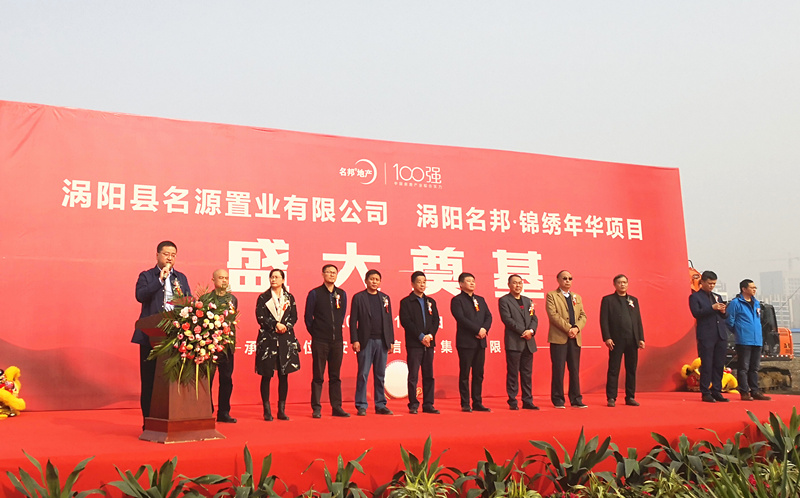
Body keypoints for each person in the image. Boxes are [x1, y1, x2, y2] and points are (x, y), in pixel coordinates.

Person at [133, 241, 191, 424]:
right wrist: (160, 280)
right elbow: (140, 296)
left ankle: (172, 419)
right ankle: (148, 421)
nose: (170, 258)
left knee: (173, 381)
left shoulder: (181, 278)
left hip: (176, 336)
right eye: (166, 254)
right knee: (149, 380)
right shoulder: (147, 276)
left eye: (173, 255)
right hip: (151, 336)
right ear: (157, 255)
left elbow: (188, 301)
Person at [304, 264, 349, 418]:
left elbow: (341, 315)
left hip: (337, 341)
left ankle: (337, 407)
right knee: (318, 376)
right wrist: (316, 333)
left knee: (335, 376)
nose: (331, 275)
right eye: (328, 272)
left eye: (334, 272)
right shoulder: (315, 293)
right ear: (322, 274)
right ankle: (316, 408)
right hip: (320, 341)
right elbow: (308, 317)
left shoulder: (341, 294)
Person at [255, 269, 301, 421]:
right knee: (266, 375)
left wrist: (285, 326)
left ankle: (281, 410)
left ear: (283, 280)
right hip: (268, 340)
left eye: (276, 277)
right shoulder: (263, 297)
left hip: (285, 339)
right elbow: (260, 317)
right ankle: (267, 410)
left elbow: (294, 316)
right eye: (272, 277)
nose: (273, 279)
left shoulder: (289, 297)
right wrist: (275, 325)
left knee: (284, 375)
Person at [350, 270, 394, 416]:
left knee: (380, 374)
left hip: (382, 341)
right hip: (365, 341)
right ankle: (361, 405)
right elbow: (353, 321)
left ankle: (380, 404)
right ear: (366, 280)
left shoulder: (385, 298)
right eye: (372, 279)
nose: (374, 282)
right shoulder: (359, 297)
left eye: (377, 279)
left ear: (380, 282)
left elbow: (389, 321)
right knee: (363, 374)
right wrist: (355, 340)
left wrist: (391, 341)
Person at [600, 274, 645, 407]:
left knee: (631, 369)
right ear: (614, 285)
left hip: (632, 340)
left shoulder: (633, 300)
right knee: (614, 369)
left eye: (625, 282)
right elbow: (603, 320)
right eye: (619, 282)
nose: (622, 284)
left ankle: (630, 396)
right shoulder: (608, 300)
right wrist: (607, 337)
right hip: (616, 340)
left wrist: (641, 338)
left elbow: (638, 321)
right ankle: (611, 397)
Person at [399, 271, 440, 414]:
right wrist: (421, 336)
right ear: (412, 284)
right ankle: (413, 404)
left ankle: (428, 404)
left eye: (424, 282)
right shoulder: (406, 302)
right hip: (414, 344)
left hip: (429, 343)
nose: (422, 284)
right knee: (413, 376)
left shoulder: (431, 302)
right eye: (419, 282)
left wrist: (430, 335)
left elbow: (436, 320)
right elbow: (406, 321)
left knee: (429, 375)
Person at [450, 272, 492, 412]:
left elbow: (488, 316)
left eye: (473, 280)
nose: (472, 283)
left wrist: (484, 329)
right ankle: (465, 403)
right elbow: (461, 318)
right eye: (468, 281)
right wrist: (477, 330)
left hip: (480, 341)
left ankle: (477, 402)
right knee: (465, 374)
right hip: (466, 342)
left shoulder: (480, 299)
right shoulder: (457, 300)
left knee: (479, 374)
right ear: (461, 284)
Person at [546, 270, 587, 409]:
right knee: (559, 369)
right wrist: (569, 329)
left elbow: (583, 316)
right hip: (559, 338)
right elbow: (553, 315)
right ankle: (558, 399)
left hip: (575, 338)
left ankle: (576, 399)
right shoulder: (552, 295)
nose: (567, 281)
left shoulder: (577, 297)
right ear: (558, 280)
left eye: (570, 278)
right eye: (564, 278)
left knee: (574, 370)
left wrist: (576, 328)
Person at [689, 270, 731, 403]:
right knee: (707, 364)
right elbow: (696, 313)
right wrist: (712, 308)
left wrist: (723, 311)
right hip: (706, 335)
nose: (712, 286)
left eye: (714, 284)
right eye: (709, 283)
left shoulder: (717, 296)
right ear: (702, 282)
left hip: (720, 334)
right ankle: (705, 392)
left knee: (719, 364)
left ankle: (717, 391)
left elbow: (725, 316)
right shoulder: (695, 297)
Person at [498, 274, 539, 410]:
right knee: (513, 373)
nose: (518, 285)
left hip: (529, 342)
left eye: (520, 283)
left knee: (527, 374)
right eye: (515, 283)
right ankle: (513, 401)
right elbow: (507, 319)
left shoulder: (528, 300)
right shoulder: (504, 300)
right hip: (514, 342)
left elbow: (534, 318)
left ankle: (527, 401)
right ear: (509, 285)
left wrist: (531, 331)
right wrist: (524, 332)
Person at [727, 279, 771, 401]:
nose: (754, 289)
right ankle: (744, 392)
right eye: (752, 287)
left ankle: (755, 391)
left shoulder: (756, 303)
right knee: (743, 368)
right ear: (744, 289)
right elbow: (729, 320)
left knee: (754, 368)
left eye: (755, 287)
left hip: (757, 340)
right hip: (743, 340)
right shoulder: (736, 303)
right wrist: (739, 331)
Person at [204, 269, 238, 423]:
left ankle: (224, 412)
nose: (224, 280)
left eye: (226, 278)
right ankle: (206, 409)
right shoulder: (205, 299)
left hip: (227, 346)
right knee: (207, 380)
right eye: (221, 278)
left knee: (226, 379)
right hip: (209, 346)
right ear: (213, 280)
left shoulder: (232, 299)